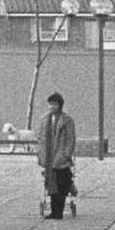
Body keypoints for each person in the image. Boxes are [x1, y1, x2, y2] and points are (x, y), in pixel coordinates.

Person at [36, 91, 77, 219]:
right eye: (51, 104)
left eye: (55, 104)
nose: (52, 107)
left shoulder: (67, 120)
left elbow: (71, 138)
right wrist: (40, 154)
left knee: (62, 184)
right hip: (48, 157)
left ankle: (59, 211)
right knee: (51, 185)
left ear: (60, 105)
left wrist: (66, 154)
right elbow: (40, 137)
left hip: (61, 157)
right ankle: (54, 211)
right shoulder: (44, 119)